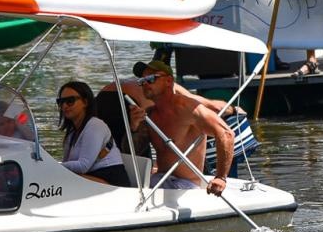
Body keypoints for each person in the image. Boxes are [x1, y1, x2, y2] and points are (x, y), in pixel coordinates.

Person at [134, 62, 233, 194]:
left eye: (151, 79)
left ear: (169, 81)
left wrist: (221, 178)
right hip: (159, 180)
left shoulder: (188, 108)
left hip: (186, 186)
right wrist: (133, 127)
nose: (145, 84)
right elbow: (134, 149)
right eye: (142, 81)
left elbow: (226, 134)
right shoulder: (149, 114)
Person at [55, 80, 124, 184]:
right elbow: (67, 162)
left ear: (85, 102)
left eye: (70, 101)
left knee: (63, 180)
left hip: (111, 180)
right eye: (61, 102)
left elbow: (83, 166)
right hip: (90, 177)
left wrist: (53, 166)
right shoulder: (72, 132)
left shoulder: (95, 125)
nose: (64, 106)